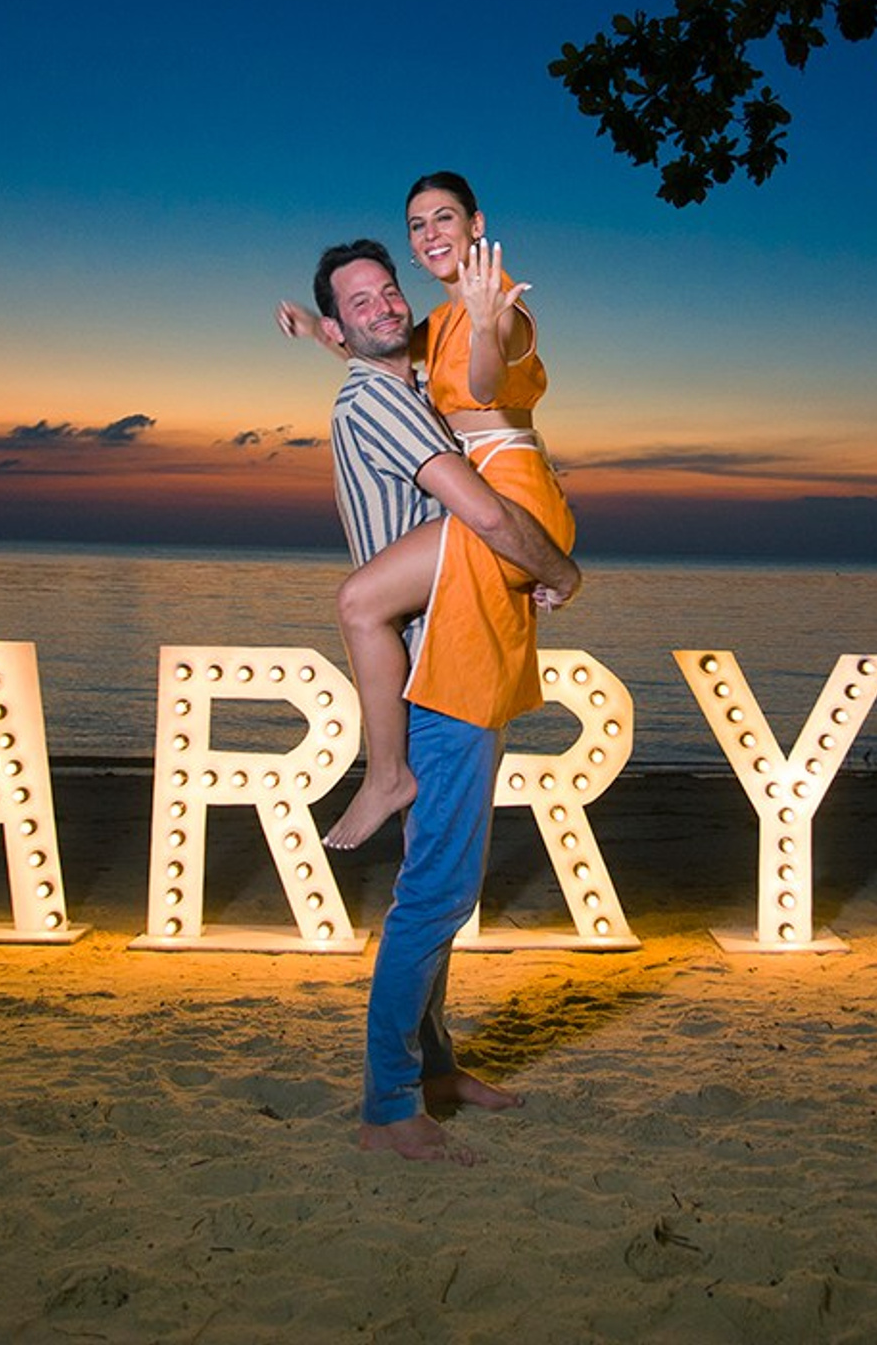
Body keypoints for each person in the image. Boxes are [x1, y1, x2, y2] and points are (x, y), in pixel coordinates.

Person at [310, 238, 581, 1162]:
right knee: (435, 896)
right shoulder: (383, 401)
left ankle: (432, 1069)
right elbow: (488, 514)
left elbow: (393, 356)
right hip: (442, 668)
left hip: (451, 653)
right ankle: (389, 1107)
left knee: (433, 889)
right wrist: (561, 573)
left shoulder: (398, 386)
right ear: (345, 324)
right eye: (359, 302)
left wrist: (319, 332)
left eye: (389, 291)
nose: (385, 306)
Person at [278, 173, 575, 849]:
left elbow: (483, 384)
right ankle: (394, 778)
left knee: (360, 601)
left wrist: (486, 320)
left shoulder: (497, 305)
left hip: (507, 492)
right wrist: (317, 330)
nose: (432, 233)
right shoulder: (438, 322)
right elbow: (376, 346)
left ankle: (387, 777)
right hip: (486, 490)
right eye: (418, 224)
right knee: (372, 607)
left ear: (477, 225)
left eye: (445, 217)